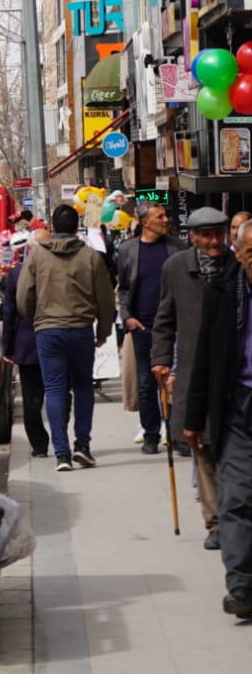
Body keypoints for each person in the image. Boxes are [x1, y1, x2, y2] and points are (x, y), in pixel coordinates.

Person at [184, 218, 252, 618]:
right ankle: (242, 586)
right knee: (237, 497)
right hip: (238, 406)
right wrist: (193, 419)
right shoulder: (223, 292)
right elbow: (204, 360)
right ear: (240, 254)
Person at [17, 203, 116, 471]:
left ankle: (61, 454)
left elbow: (23, 294)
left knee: (54, 388)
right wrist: (104, 330)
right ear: (76, 228)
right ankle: (82, 446)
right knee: (83, 386)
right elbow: (105, 300)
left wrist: (36, 321)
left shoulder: (37, 255)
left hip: (48, 329)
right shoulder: (91, 256)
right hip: (81, 328)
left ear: (51, 227)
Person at [154, 206, 229, 549]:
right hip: (192, 373)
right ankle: (215, 523)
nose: (214, 242)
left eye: (219, 235)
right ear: (195, 238)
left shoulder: (238, 267)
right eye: (207, 236)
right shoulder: (176, 268)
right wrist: (160, 359)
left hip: (232, 376)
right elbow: (164, 318)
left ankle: (234, 517)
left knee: (232, 451)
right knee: (202, 448)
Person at [114, 204, 189, 454]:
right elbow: (123, 288)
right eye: (160, 217)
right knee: (146, 383)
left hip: (174, 326)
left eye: (166, 215)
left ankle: (176, 434)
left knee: (173, 381)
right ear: (145, 222)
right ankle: (151, 434)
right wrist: (127, 317)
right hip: (143, 327)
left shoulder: (178, 247)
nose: (166, 220)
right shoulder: (127, 250)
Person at [1, 229, 52, 456]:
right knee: (58, 392)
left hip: (28, 344)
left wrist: (8, 347)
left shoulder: (17, 274)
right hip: (55, 341)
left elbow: (9, 314)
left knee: (32, 398)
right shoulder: (58, 272)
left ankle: (40, 445)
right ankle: (60, 440)